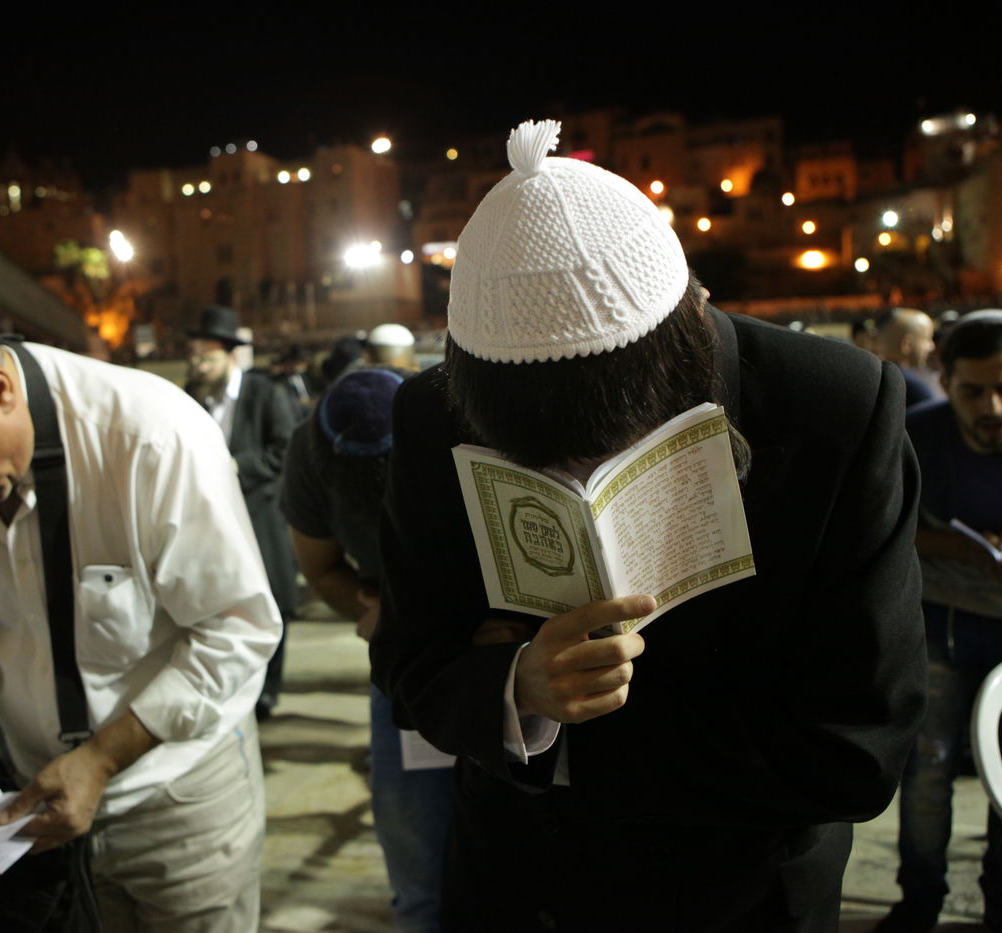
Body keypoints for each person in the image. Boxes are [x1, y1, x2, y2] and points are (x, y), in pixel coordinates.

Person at [369, 119, 928, 932]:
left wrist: (574, 744)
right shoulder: (433, 414)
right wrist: (520, 690)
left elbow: (861, 742)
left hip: (743, 895)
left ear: (686, 339)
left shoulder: (833, 409)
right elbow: (408, 659)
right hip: (519, 883)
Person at [0, 303, 280, 929]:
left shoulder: (148, 435)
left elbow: (236, 629)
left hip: (177, 796)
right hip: (29, 798)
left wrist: (101, 759)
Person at [881, 309, 1002, 933]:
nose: (992, 408)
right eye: (972, 391)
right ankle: (918, 902)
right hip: (943, 616)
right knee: (926, 772)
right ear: (945, 381)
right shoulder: (916, 433)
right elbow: (883, 525)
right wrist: (963, 548)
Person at [281, 367, 452, 931]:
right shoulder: (309, 455)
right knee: (417, 859)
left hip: (489, 643)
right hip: (403, 660)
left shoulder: (450, 422)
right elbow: (321, 569)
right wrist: (370, 608)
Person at [185, 304, 298, 718]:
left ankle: (267, 691)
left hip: (259, 515)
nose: (199, 365)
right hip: (211, 522)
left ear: (230, 355)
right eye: (195, 357)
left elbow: (284, 449)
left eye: (208, 358)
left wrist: (236, 467)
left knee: (270, 602)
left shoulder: (264, 392)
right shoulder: (191, 395)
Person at [876, 308, 942, 407]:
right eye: (927, 339)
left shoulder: (872, 379)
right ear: (907, 345)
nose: (932, 346)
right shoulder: (914, 390)